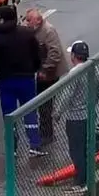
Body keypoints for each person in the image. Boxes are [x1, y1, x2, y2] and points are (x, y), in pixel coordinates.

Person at [0, 5, 46, 156]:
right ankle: (34, 145)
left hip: (7, 80)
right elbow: (37, 54)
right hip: (26, 79)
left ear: (0, 19)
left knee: (9, 115)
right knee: (30, 112)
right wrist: (36, 68)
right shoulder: (27, 33)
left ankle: (12, 148)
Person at [53, 41, 99, 194]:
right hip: (89, 114)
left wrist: (58, 113)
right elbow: (98, 89)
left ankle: (81, 182)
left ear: (74, 55)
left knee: (76, 150)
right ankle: (87, 178)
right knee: (87, 149)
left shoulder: (75, 72)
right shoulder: (95, 68)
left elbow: (67, 95)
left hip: (75, 118)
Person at [23, 8, 69, 145]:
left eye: (28, 20)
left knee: (45, 105)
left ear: (38, 20)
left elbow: (55, 53)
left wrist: (44, 70)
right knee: (43, 104)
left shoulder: (48, 31)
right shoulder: (35, 30)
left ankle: (47, 134)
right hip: (42, 71)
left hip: (50, 74)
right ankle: (46, 132)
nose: (26, 23)